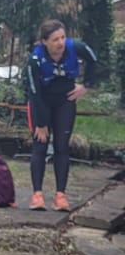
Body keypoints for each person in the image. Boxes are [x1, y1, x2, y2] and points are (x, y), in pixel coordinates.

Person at [24, 18, 97, 212]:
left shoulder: (75, 47)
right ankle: (37, 195)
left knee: (61, 146)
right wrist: (40, 123)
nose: (60, 43)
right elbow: (34, 92)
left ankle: (60, 195)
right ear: (44, 41)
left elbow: (94, 60)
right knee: (40, 145)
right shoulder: (35, 59)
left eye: (62, 37)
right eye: (55, 39)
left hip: (65, 100)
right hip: (42, 101)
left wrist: (86, 85)